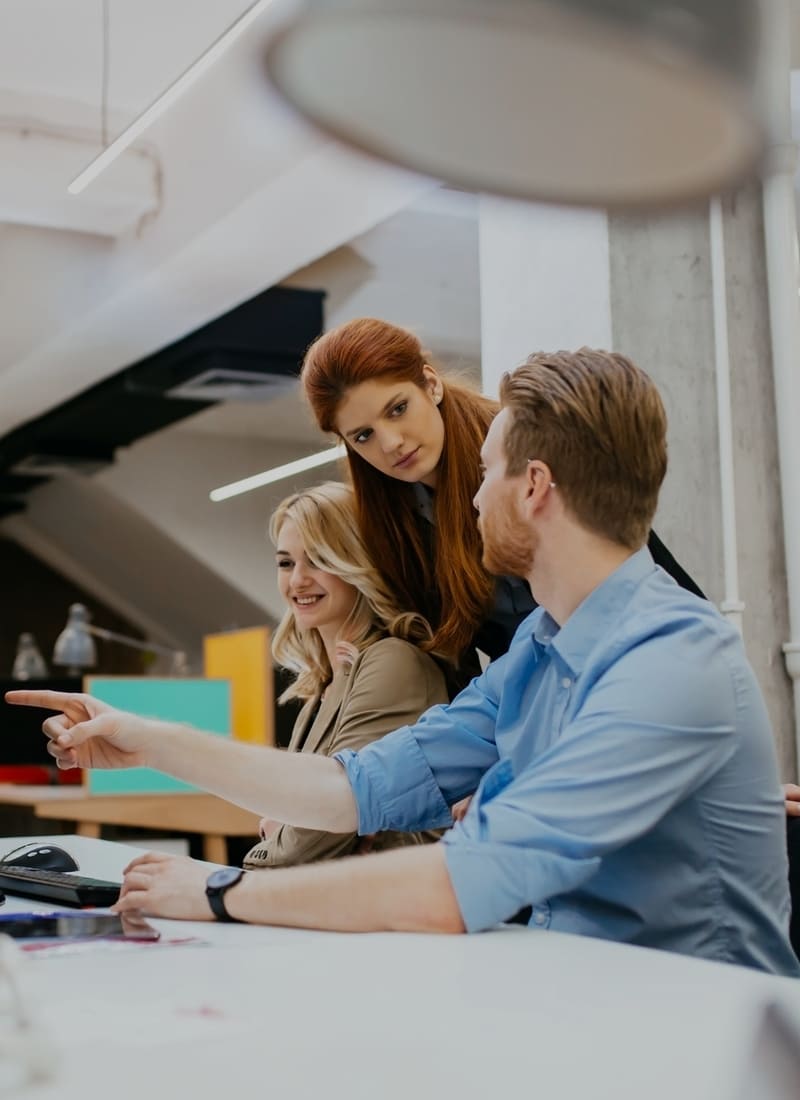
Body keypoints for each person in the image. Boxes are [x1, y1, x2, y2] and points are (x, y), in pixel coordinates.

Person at [8, 348, 798, 975]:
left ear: (534, 488)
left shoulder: (669, 660)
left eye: (486, 473)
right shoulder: (537, 649)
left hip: (690, 1039)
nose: (472, 497)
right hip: (574, 996)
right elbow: (358, 786)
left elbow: (458, 886)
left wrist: (218, 890)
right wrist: (151, 739)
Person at [301, 317, 704, 689]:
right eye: (363, 436)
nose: (391, 443)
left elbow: (644, 573)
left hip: (634, 673)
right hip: (530, 705)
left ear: (431, 384)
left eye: (398, 409)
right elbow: (455, 664)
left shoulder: (525, 448)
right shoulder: (394, 522)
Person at [240, 481, 446, 869]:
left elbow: (307, 841)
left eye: (318, 559)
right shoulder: (323, 685)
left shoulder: (393, 662)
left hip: (394, 910)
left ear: (358, 563)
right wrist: (286, 824)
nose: (297, 580)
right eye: (286, 563)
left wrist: (280, 828)